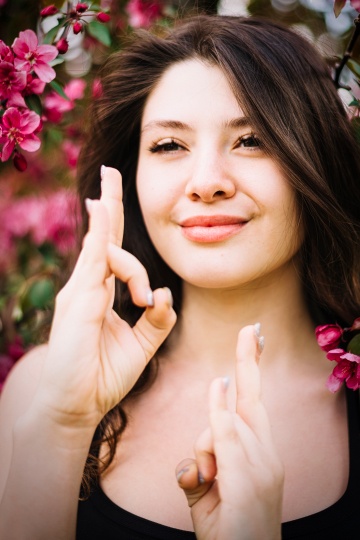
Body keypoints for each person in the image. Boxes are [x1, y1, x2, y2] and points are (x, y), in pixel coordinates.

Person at [0, 13, 360, 540]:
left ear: (317, 162)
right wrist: (62, 426)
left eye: (252, 140)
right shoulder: (42, 390)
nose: (206, 182)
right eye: (169, 146)